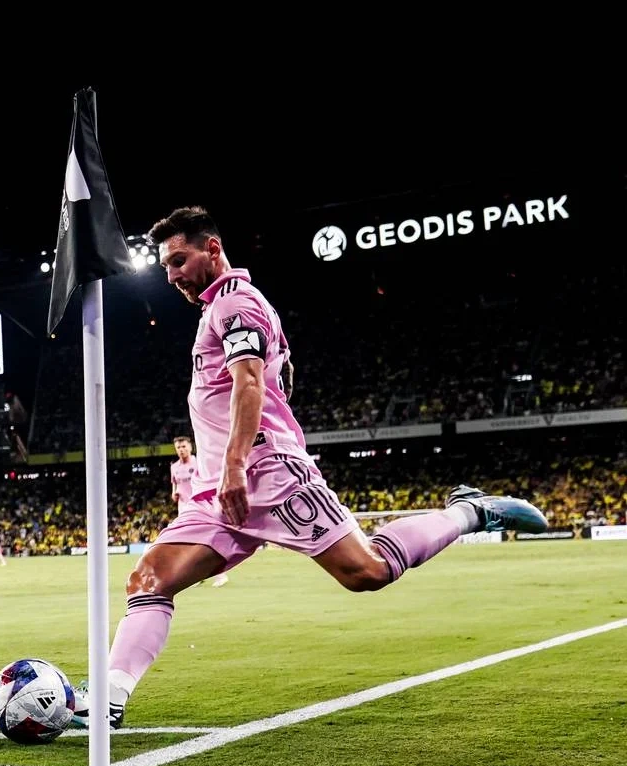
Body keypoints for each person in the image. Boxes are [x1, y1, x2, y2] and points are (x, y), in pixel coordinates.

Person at [74, 207, 544, 731]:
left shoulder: (236, 302)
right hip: (215, 492)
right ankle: (109, 698)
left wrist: (234, 466)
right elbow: (268, 371)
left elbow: (249, 383)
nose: (171, 276)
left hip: (268, 474)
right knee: (149, 579)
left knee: (366, 572)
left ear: (212, 249)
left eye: (178, 261)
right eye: (165, 267)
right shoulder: (224, 310)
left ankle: (470, 512)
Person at [171, 436, 230, 588]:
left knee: (208, 540)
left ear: (190, 447)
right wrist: (175, 493)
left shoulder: (199, 463)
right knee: (189, 544)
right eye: (178, 447)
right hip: (184, 508)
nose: (181, 450)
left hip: (200, 506)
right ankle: (197, 577)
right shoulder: (174, 466)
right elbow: (175, 484)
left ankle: (221, 575)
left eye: (184, 446)